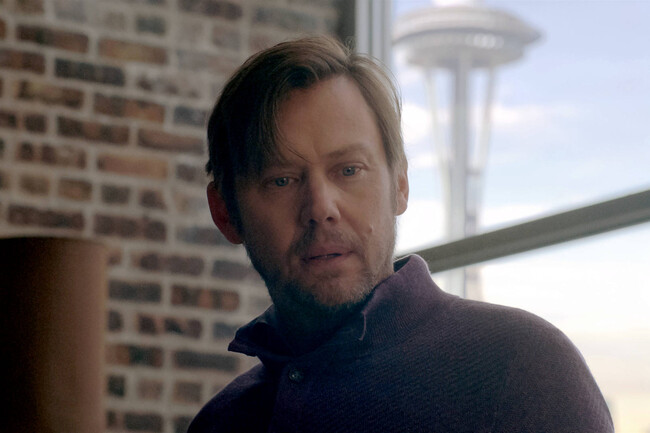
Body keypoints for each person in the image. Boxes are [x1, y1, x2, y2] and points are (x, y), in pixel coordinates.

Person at [189, 36, 613, 433]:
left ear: (401, 185)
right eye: (281, 180)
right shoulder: (220, 422)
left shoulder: (522, 366)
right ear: (225, 213)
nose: (321, 208)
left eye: (349, 170)